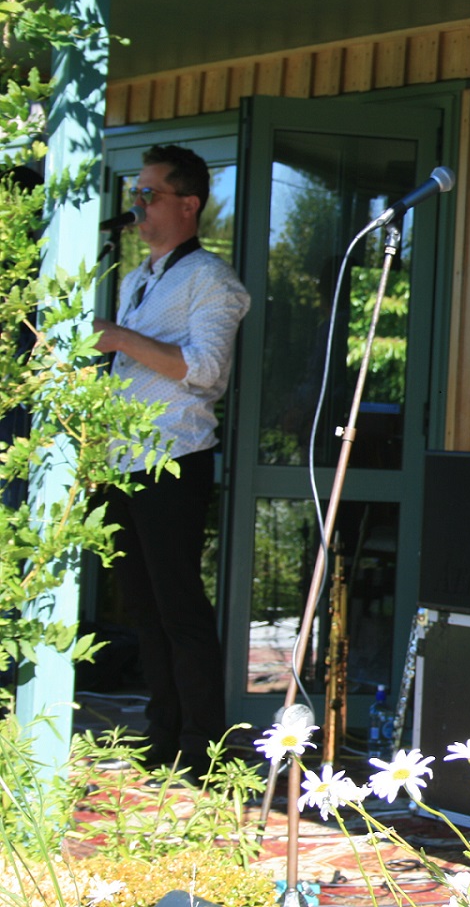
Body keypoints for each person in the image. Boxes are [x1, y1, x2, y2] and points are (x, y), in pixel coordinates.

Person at [93, 144, 250, 780]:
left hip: (175, 460)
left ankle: (203, 748)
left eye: (148, 195)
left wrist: (121, 337)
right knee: (143, 608)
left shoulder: (213, 281)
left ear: (188, 204)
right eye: (134, 195)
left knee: (180, 608)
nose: (137, 206)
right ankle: (161, 736)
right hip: (123, 461)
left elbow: (207, 372)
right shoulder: (138, 278)